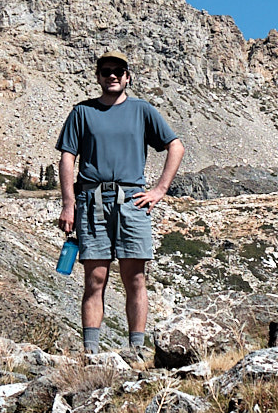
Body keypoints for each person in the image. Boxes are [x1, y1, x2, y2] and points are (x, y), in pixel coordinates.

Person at [56, 51, 184, 357]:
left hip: (132, 202)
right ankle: (91, 354)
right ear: (98, 77)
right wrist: (68, 203)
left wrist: (159, 190)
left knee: (135, 277)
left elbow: (175, 146)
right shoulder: (81, 112)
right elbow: (67, 158)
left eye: (118, 71)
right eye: (106, 71)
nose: (112, 76)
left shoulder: (143, 110)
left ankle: (136, 350)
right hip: (92, 200)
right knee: (95, 278)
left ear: (127, 77)